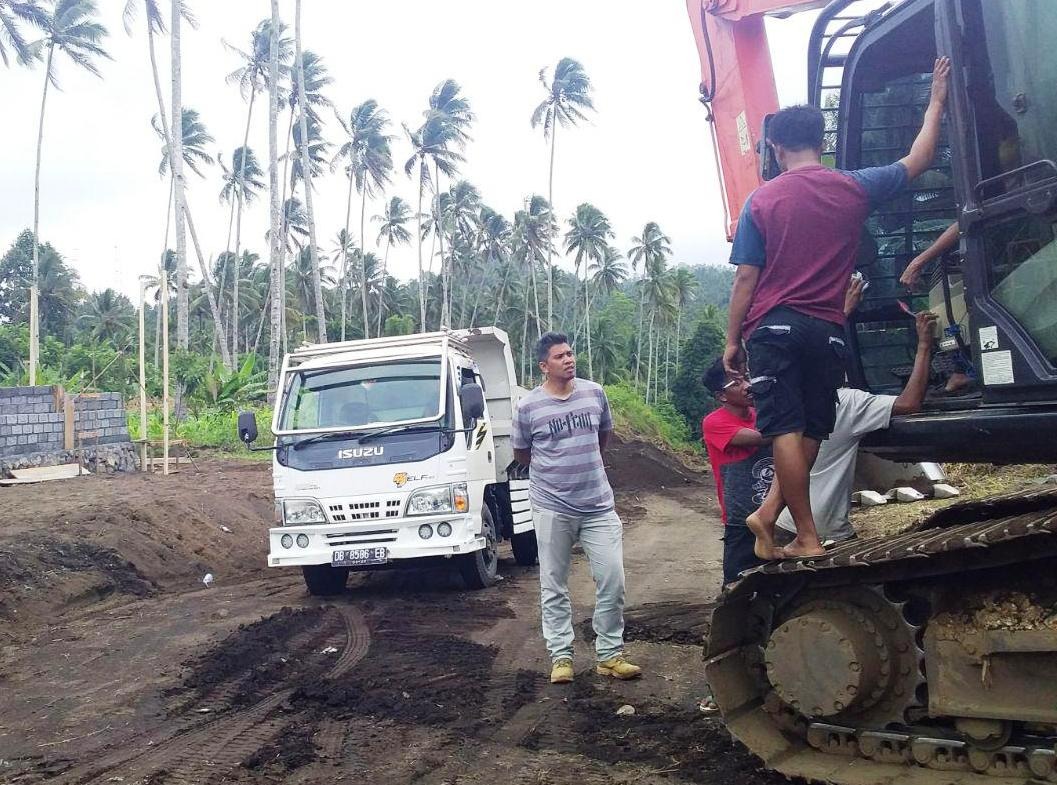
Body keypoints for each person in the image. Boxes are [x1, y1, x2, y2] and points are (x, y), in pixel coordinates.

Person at [724, 58, 951, 559]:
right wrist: (935, 100)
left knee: (785, 427)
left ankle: (796, 530)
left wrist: (732, 339)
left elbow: (746, 277)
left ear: (776, 148)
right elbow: (919, 157)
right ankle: (773, 518)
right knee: (813, 430)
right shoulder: (853, 186)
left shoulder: (761, 201)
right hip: (827, 329)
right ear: (822, 142)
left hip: (775, 327)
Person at [511, 332, 642, 685]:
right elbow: (522, 454)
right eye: (560, 357)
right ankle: (561, 657)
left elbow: (603, 436)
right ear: (544, 366)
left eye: (570, 354)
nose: (569, 360)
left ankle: (610, 656)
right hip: (552, 506)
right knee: (554, 583)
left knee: (612, 579)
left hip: (598, 504)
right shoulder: (528, 407)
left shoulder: (594, 393)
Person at [701, 362, 773, 586]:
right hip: (741, 521)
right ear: (721, 396)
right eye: (738, 382)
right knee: (738, 586)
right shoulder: (714, 422)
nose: (748, 386)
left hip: (777, 516)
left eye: (747, 378)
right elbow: (762, 438)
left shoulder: (762, 414)